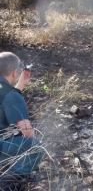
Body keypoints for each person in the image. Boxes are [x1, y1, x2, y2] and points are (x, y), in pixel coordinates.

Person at [0, 52, 44, 190]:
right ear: (14, 72)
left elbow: (5, 97)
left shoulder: (5, 91)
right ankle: (8, 183)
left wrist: (21, 84)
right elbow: (28, 132)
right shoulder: (11, 95)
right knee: (36, 147)